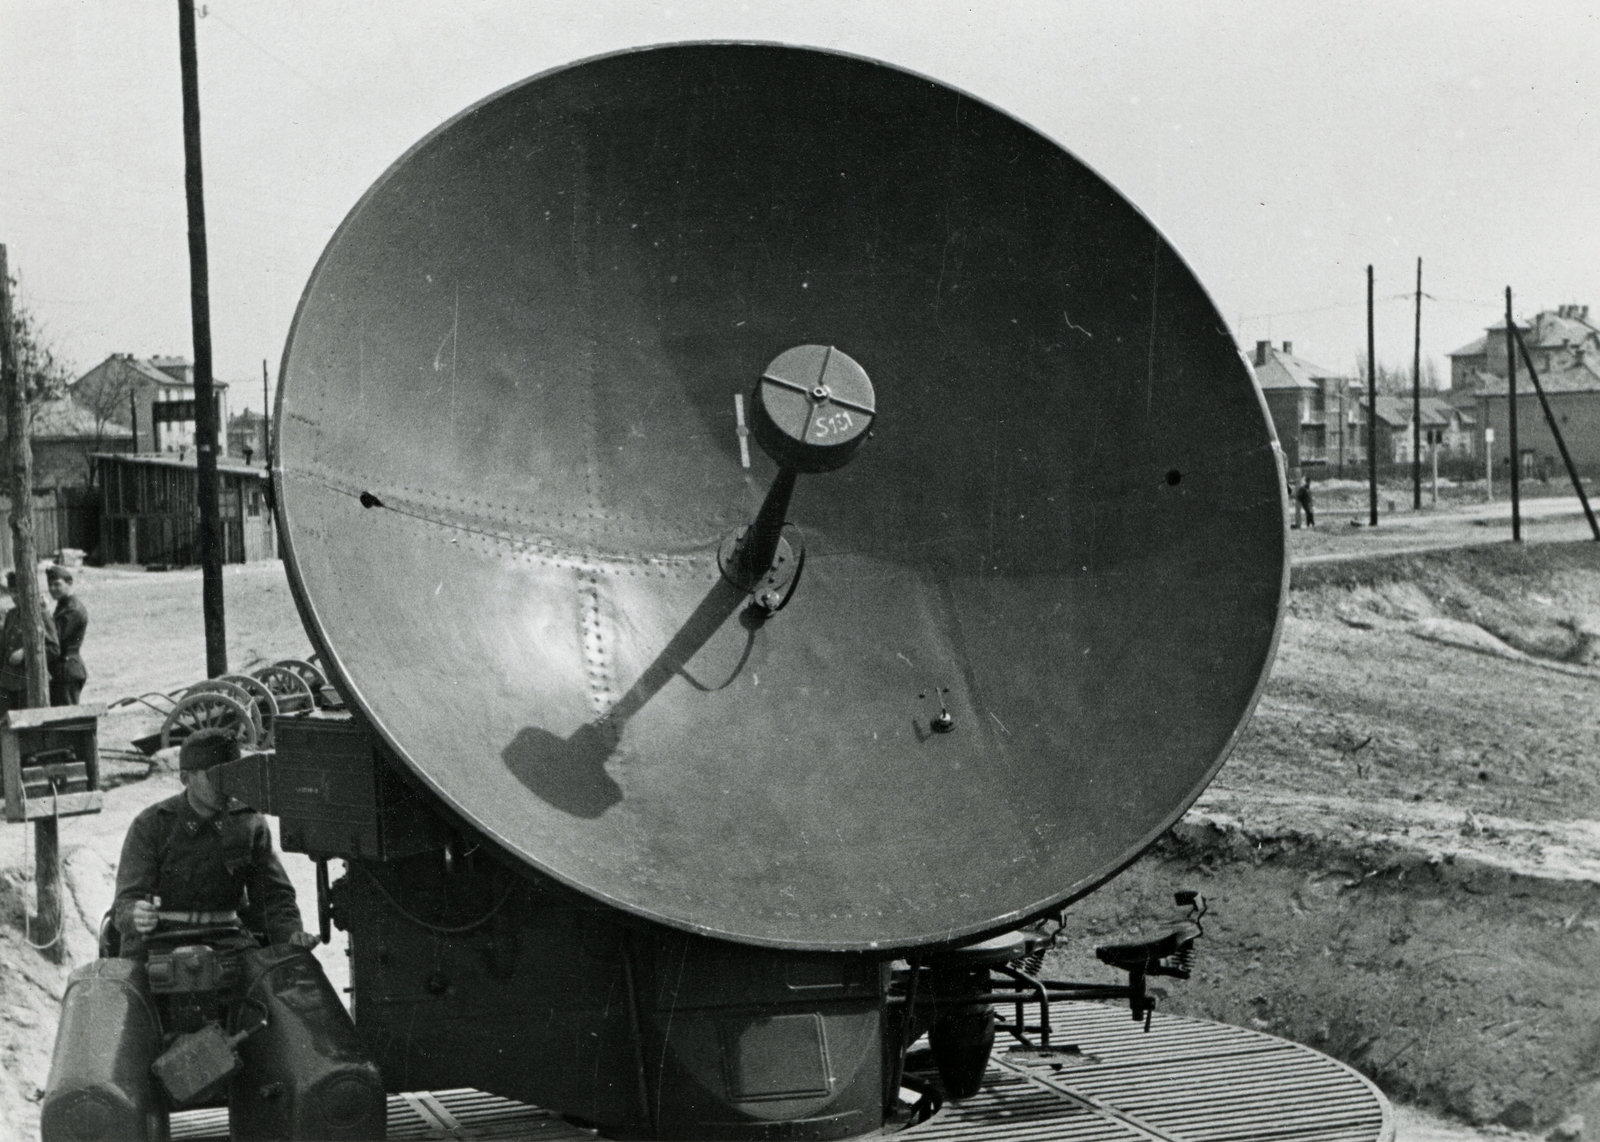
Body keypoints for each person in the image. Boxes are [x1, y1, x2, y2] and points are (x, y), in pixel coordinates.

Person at [111, 728, 319, 961]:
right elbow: (125, 902)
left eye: (232, 774)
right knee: (125, 992)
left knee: (293, 989)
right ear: (185, 779)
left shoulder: (248, 822)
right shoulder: (152, 824)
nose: (226, 784)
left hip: (230, 943)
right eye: (215, 775)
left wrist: (290, 935)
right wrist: (135, 914)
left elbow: (273, 897)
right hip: (160, 943)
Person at [0, 570, 60, 713]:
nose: (14, 596)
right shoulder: (11, 615)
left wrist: (25, 653)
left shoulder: (40, 614)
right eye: (12, 592)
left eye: (18, 592)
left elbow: (53, 649)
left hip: (31, 683)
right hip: (8, 683)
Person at [46, 564, 87, 706]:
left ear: (69, 583)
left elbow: (54, 638)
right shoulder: (63, 605)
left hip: (67, 670)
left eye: (57, 584)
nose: (52, 589)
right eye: (50, 585)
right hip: (60, 670)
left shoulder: (73, 610)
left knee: (68, 720)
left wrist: (44, 613)